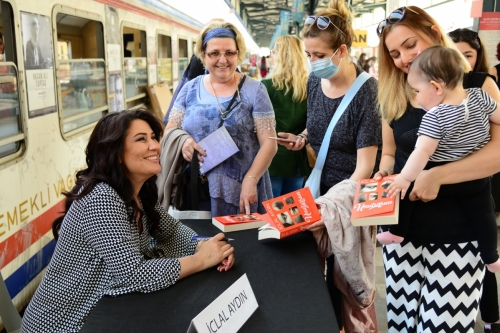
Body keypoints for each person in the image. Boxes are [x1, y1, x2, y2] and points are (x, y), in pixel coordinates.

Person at [21, 110, 234, 332]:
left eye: (153, 137)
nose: (154, 146)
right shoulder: (100, 196)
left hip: (101, 315)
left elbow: (170, 231)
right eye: (141, 139)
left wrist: (203, 244)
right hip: (63, 324)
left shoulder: (137, 193)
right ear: (117, 152)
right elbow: (133, 274)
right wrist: (201, 260)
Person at [375, 6, 500, 332]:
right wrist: (383, 174)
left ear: (433, 32)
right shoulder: (394, 92)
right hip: (401, 236)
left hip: (461, 235)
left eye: (410, 44)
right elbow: (389, 152)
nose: (403, 58)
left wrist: (435, 175)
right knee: (401, 325)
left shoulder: (478, 86)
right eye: (394, 53)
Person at [277, 0, 381, 329]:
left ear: (342, 51)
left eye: (319, 56)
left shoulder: (369, 92)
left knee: (341, 283)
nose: (312, 63)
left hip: (346, 202)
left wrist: (333, 209)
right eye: (309, 55)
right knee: (306, 272)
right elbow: (320, 127)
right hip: (316, 190)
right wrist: (303, 138)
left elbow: (365, 165)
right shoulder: (313, 83)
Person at [380, 46, 500, 272]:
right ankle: (491, 257)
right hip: (473, 181)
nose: (415, 96)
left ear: (435, 87)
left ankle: (396, 232)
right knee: (484, 214)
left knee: (405, 193)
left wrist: (404, 179)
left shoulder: (435, 116)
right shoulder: (479, 96)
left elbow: (421, 153)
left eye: (416, 91)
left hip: (440, 176)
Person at [165, 21, 277, 217]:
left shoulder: (255, 90)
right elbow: (170, 130)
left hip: (242, 190)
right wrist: (184, 141)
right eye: (214, 53)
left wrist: (251, 179)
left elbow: (269, 143)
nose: (222, 60)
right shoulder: (189, 89)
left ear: (238, 54)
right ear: (203, 55)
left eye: (229, 53)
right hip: (194, 190)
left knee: (242, 245)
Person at [449, 28, 500, 333]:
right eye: (454, 54)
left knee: (485, 250)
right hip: (444, 193)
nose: (461, 61)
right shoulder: (437, 84)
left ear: (478, 56)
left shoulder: (484, 84)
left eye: (467, 55)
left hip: (478, 180)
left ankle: (492, 317)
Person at [261, 35, 311, 197]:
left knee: (271, 212)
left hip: (271, 160)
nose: (271, 57)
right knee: (291, 212)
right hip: (297, 159)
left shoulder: (267, 86)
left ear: (282, 56)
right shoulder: (309, 86)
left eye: (274, 53)